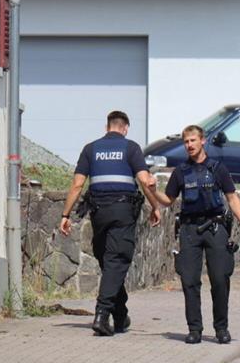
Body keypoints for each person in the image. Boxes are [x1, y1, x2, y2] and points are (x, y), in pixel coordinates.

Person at [59, 111, 163, 336]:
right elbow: (145, 180)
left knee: (109, 263)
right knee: (116, 261)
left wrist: (65, 215)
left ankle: (119, 314)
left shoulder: (91, 149)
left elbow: (77, 185)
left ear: (107, 127)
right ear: (125, 128)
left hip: (98, 213)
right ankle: (102, 315)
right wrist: (155, 206)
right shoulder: (130, 147)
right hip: (122, 211)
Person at [158, 124, 240, 345]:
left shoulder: (218, 168)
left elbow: (232, 198)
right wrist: (151, 191)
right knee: (189, 280)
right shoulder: (180, 172)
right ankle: (194, 329)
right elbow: (167, 201)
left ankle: (221, 328)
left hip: (215, 228)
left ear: (203, 141)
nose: (189, 145)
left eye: (192, 140)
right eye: (186, 142)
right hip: (190, 230)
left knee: (219, 279)